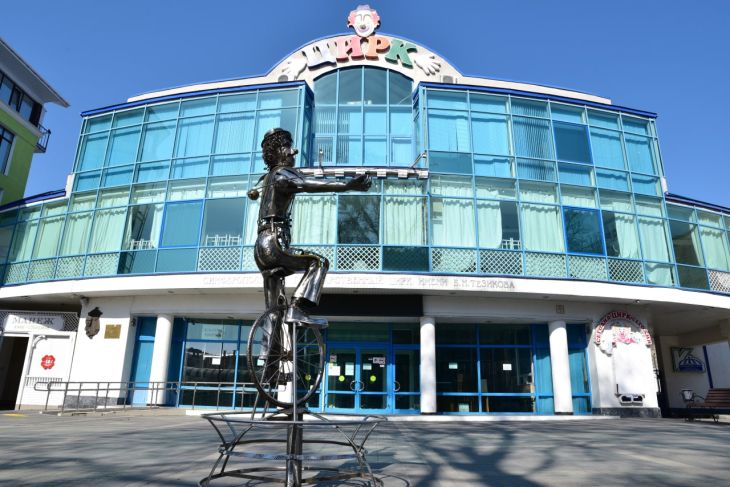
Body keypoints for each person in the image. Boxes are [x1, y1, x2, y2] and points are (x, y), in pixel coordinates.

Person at [251, 128, 371, 328]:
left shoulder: (267, 179)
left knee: (273, 313)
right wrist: (346, 186)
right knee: (318, 262)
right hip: (274, 243)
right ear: (278, 152)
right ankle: (296, 308)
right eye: (287, 146)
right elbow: (308, 184)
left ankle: (270, 347)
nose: (294, 151)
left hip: (260, 248)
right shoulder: (282, 173)